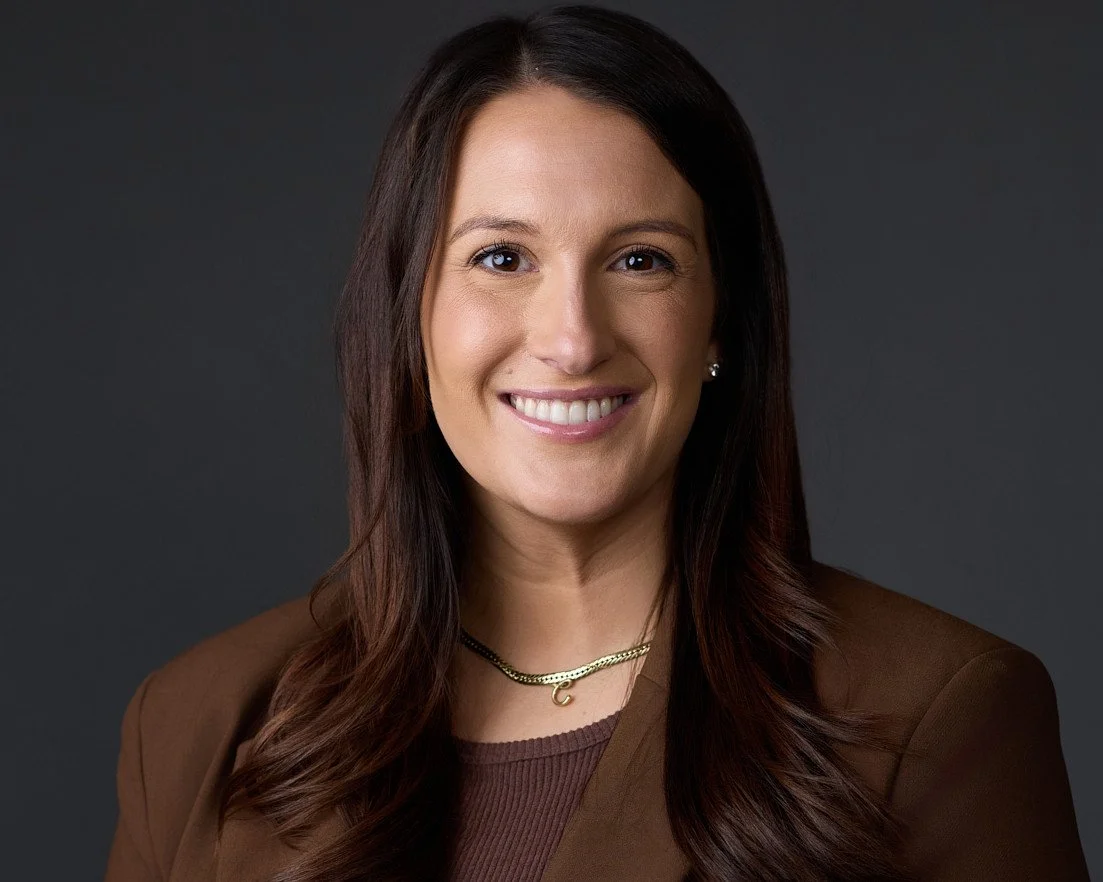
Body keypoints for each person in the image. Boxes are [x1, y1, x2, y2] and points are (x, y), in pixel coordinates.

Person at [104, 5, 1090, 881]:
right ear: (409, 318)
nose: (572, 337)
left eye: (638, 260)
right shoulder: (198, 723)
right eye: (500, 257)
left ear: (717, 322)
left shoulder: (936, 713)